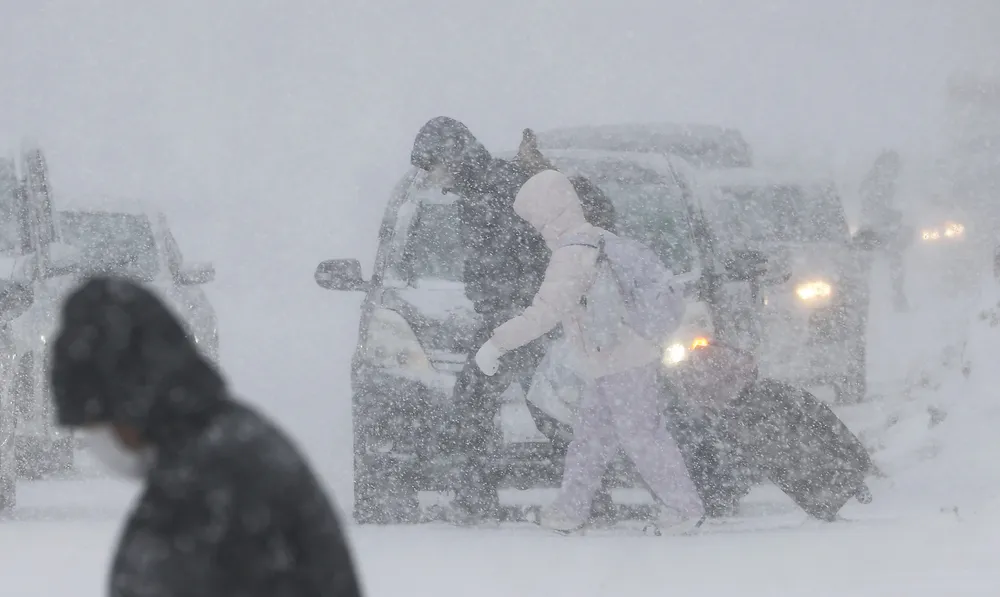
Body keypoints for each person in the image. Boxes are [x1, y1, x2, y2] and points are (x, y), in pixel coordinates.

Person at [49, 276, 363, 597]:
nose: (97, 441)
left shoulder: (200, 490)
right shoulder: (235, 445)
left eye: (95, 423)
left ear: (127, 403)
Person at [473, 168, 705, 534]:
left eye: (532, 218)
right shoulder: (600, 239)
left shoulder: (572, 253)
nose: (532, 228)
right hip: (613, 359)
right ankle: (570, 511)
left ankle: (683, 508)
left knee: (641, 434)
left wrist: (496, 343)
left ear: (545, 213)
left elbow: (545, 312)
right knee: (591, 438)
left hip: (622, 359)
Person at [859, 149, 909, 312]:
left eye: (894, 166)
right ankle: (865, 298)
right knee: (868, 264)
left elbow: (900, 203)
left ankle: (897, 295)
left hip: (886, 228)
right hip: (872, 229)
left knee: (895, 261)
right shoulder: (871, 183)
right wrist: (890, 214)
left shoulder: (891, 184)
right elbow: (869, 206)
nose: (892, 170)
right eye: (890, 165)